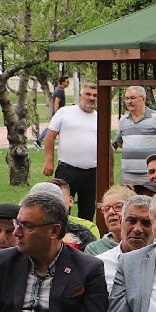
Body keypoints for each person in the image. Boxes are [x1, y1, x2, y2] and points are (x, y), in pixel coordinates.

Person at [40, 82, 102, 218]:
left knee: (88, 211)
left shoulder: (100, 117)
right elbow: (49, 137)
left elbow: (106, 146)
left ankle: (85, 238)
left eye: (95, 95)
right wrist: (49, 161)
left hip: (92, 173)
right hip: (67, 171)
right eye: (88, 94)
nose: (91, 98)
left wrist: (108, 173)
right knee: (61, 209)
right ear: (80, 95)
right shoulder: (65, 112)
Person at [110, 86, 156, 188]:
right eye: (127, 98)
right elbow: (120, 142)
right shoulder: (123, 120)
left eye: (132, 98)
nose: (129, 101)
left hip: (149, 174)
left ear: (143, 99)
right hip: (127, 174)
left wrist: (154, 157)